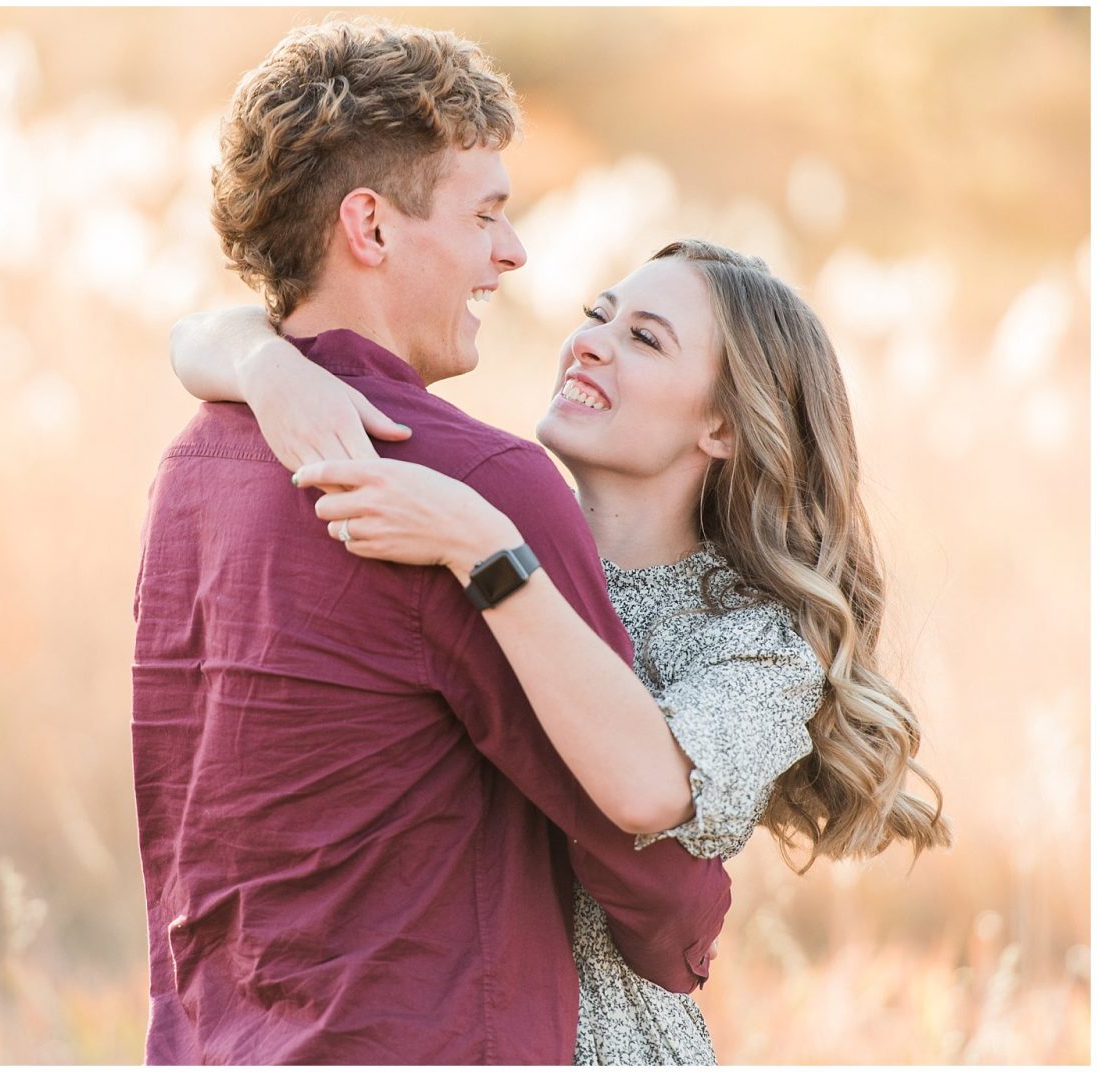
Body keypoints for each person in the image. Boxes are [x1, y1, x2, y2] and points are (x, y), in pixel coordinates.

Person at [170, 238, 954, 1063]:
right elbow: (193, 337)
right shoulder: (470, 506)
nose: (590, 342)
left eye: (645, 339)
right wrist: (265, 364)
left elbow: (650, 786)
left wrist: (485, 552)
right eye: (597, 316)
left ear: (721, 425)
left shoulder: (756, 641)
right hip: (427, 1022)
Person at [132, 19, 731, 1066]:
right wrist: (691, 916)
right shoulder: (478, 486)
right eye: (486, 212)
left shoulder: (189, 471)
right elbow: (634, 842)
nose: (512, 251)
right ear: (369, 225)